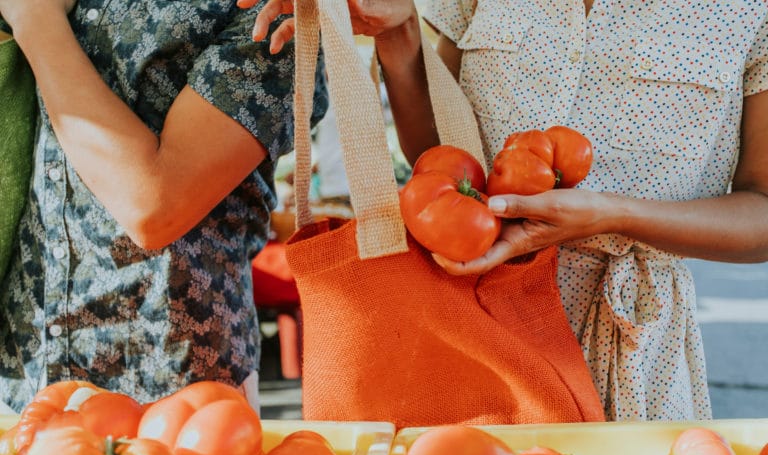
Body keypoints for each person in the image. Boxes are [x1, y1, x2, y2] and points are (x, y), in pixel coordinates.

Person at [251, 0, 768, 421]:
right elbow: (443, 156)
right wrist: (398, 32)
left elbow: (761, 213)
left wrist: (615, 214)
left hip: (637, 345)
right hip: (473, 318)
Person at [0, 0, 328, 413]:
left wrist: (35, 19)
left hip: (173, 399)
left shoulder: (273, 7)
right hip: (20, 379)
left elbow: (156, 206)